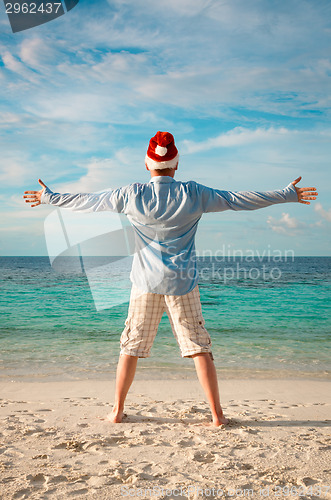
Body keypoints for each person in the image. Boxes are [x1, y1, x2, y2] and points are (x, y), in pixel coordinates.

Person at [23, 131, 318, 426]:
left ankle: (116, 411)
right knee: (199, 348)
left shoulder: (131, 194)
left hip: (144, 284)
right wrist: (286, 194)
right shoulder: (193, 193)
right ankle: (217, 416)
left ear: (147, 165)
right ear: (176, 166)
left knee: (130, 348)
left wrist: (49, 197)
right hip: (183, 284)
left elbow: (89, 201)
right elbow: (236, 199)